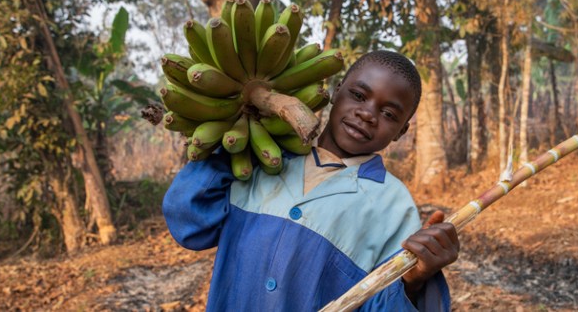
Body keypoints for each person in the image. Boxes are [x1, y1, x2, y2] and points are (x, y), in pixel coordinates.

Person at [163, 50, 459, 311]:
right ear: (336, 90)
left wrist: (414, 278)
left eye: (388, 113)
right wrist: (232, 136)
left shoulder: (394, 206)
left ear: (401, 131)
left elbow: (379, 304)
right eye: (358, 95)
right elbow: (189, 225)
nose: (367, 114)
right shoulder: (261, 157)